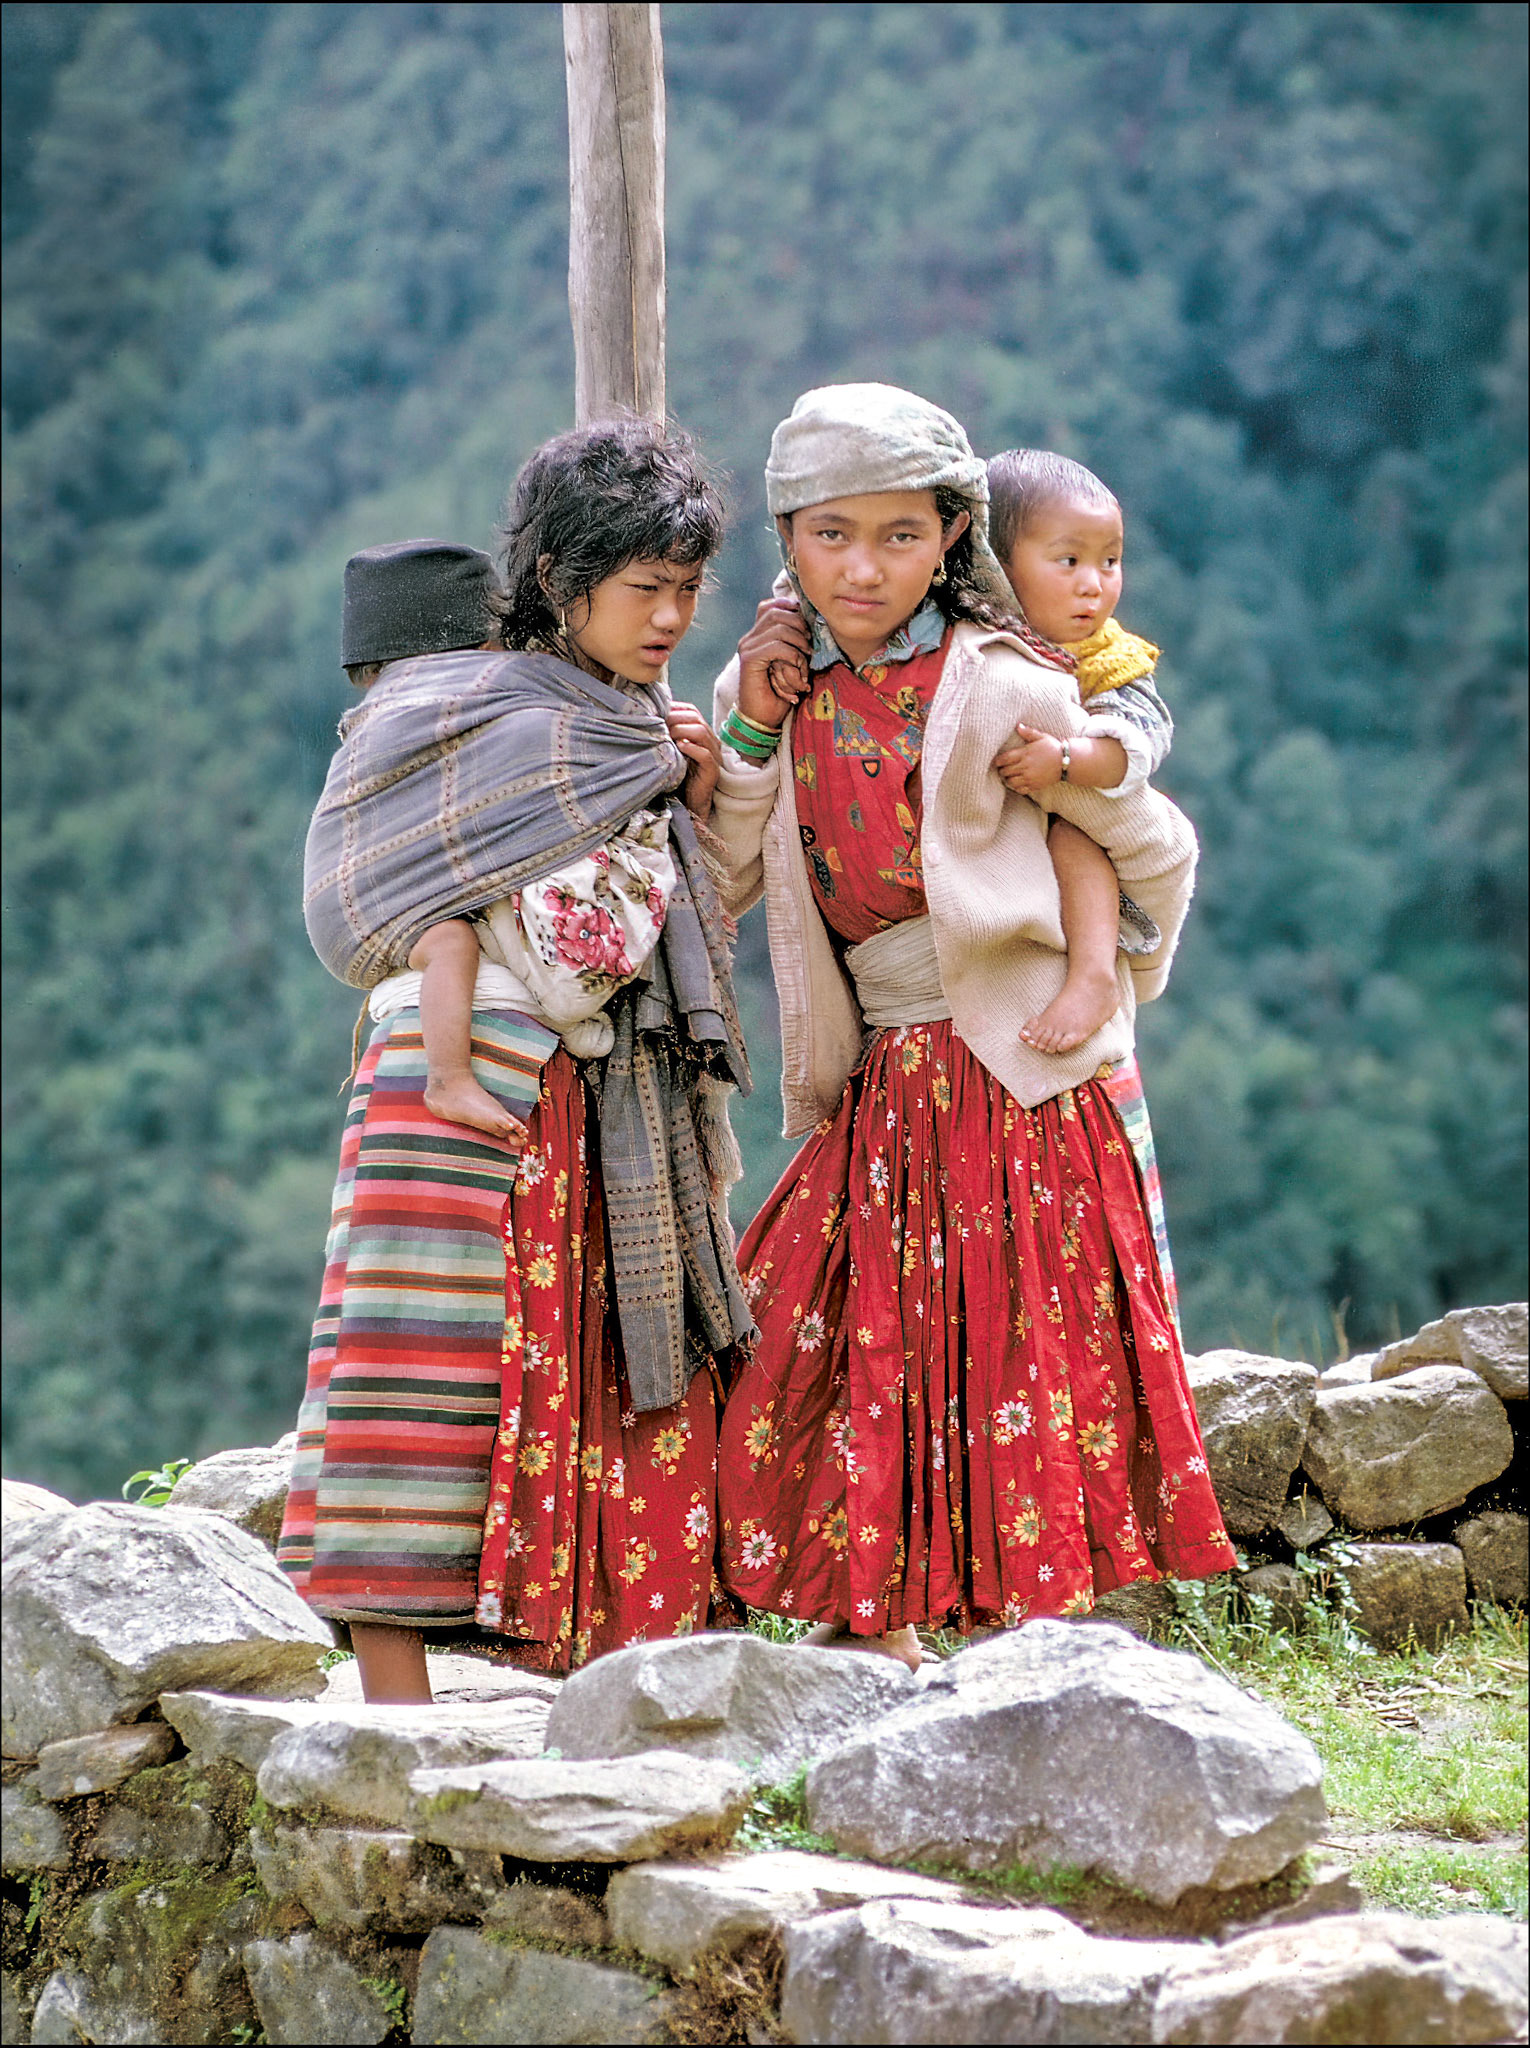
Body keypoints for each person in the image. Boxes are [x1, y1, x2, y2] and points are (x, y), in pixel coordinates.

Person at [708, 382, 1235, 1670]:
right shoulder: (769, 686)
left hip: (1024, 1064)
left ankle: (1024, 1634)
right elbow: (719, 869)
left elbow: (1151, 846)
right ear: (788, 538)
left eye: (901, 533)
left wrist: (1103, 978)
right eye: (831, 534)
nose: (864, 566)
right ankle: (873, 1602)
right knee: (817, 1323)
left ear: (955, 535)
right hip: (885, 1069)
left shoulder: (1005, 679)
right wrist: (746, 728)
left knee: (1021, 1341)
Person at [278, 418, 753, 1702]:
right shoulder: (477, 712)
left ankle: (608, 1682)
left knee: (572, 1367)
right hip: (456, 1077)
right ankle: (395, 1708)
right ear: (559, 581)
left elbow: (679, 906)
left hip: (584, 1086)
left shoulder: (641, 728)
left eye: (688, 590)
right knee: (413, 1363)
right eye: (646, 589)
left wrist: (705, 792)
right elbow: (361, 890)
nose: (672, 618)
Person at [986, 449, 1177, 1058]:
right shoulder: (983, 632)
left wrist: (1066, 762)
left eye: (1110, 562)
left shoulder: (1109, 658)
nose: (1095, 584)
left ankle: (1093, 973)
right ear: (997, 562)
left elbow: (1138, 747)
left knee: (1075, 834)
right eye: (1069, 560)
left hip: (1081, 815)